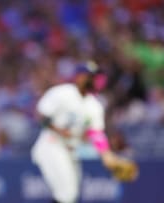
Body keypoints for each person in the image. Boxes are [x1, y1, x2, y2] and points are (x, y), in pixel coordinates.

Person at [31, 61, 136, 203]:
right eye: (90, 76)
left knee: (70, 195)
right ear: (79, 77)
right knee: (67, 194)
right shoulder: (62, 92)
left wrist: (106, 155)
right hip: (51, 145)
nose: (94, 80)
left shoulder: (94, 106)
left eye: (95, 77)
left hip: (70, 150)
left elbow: (96, 133)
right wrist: (59, 130)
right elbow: (41, 115)